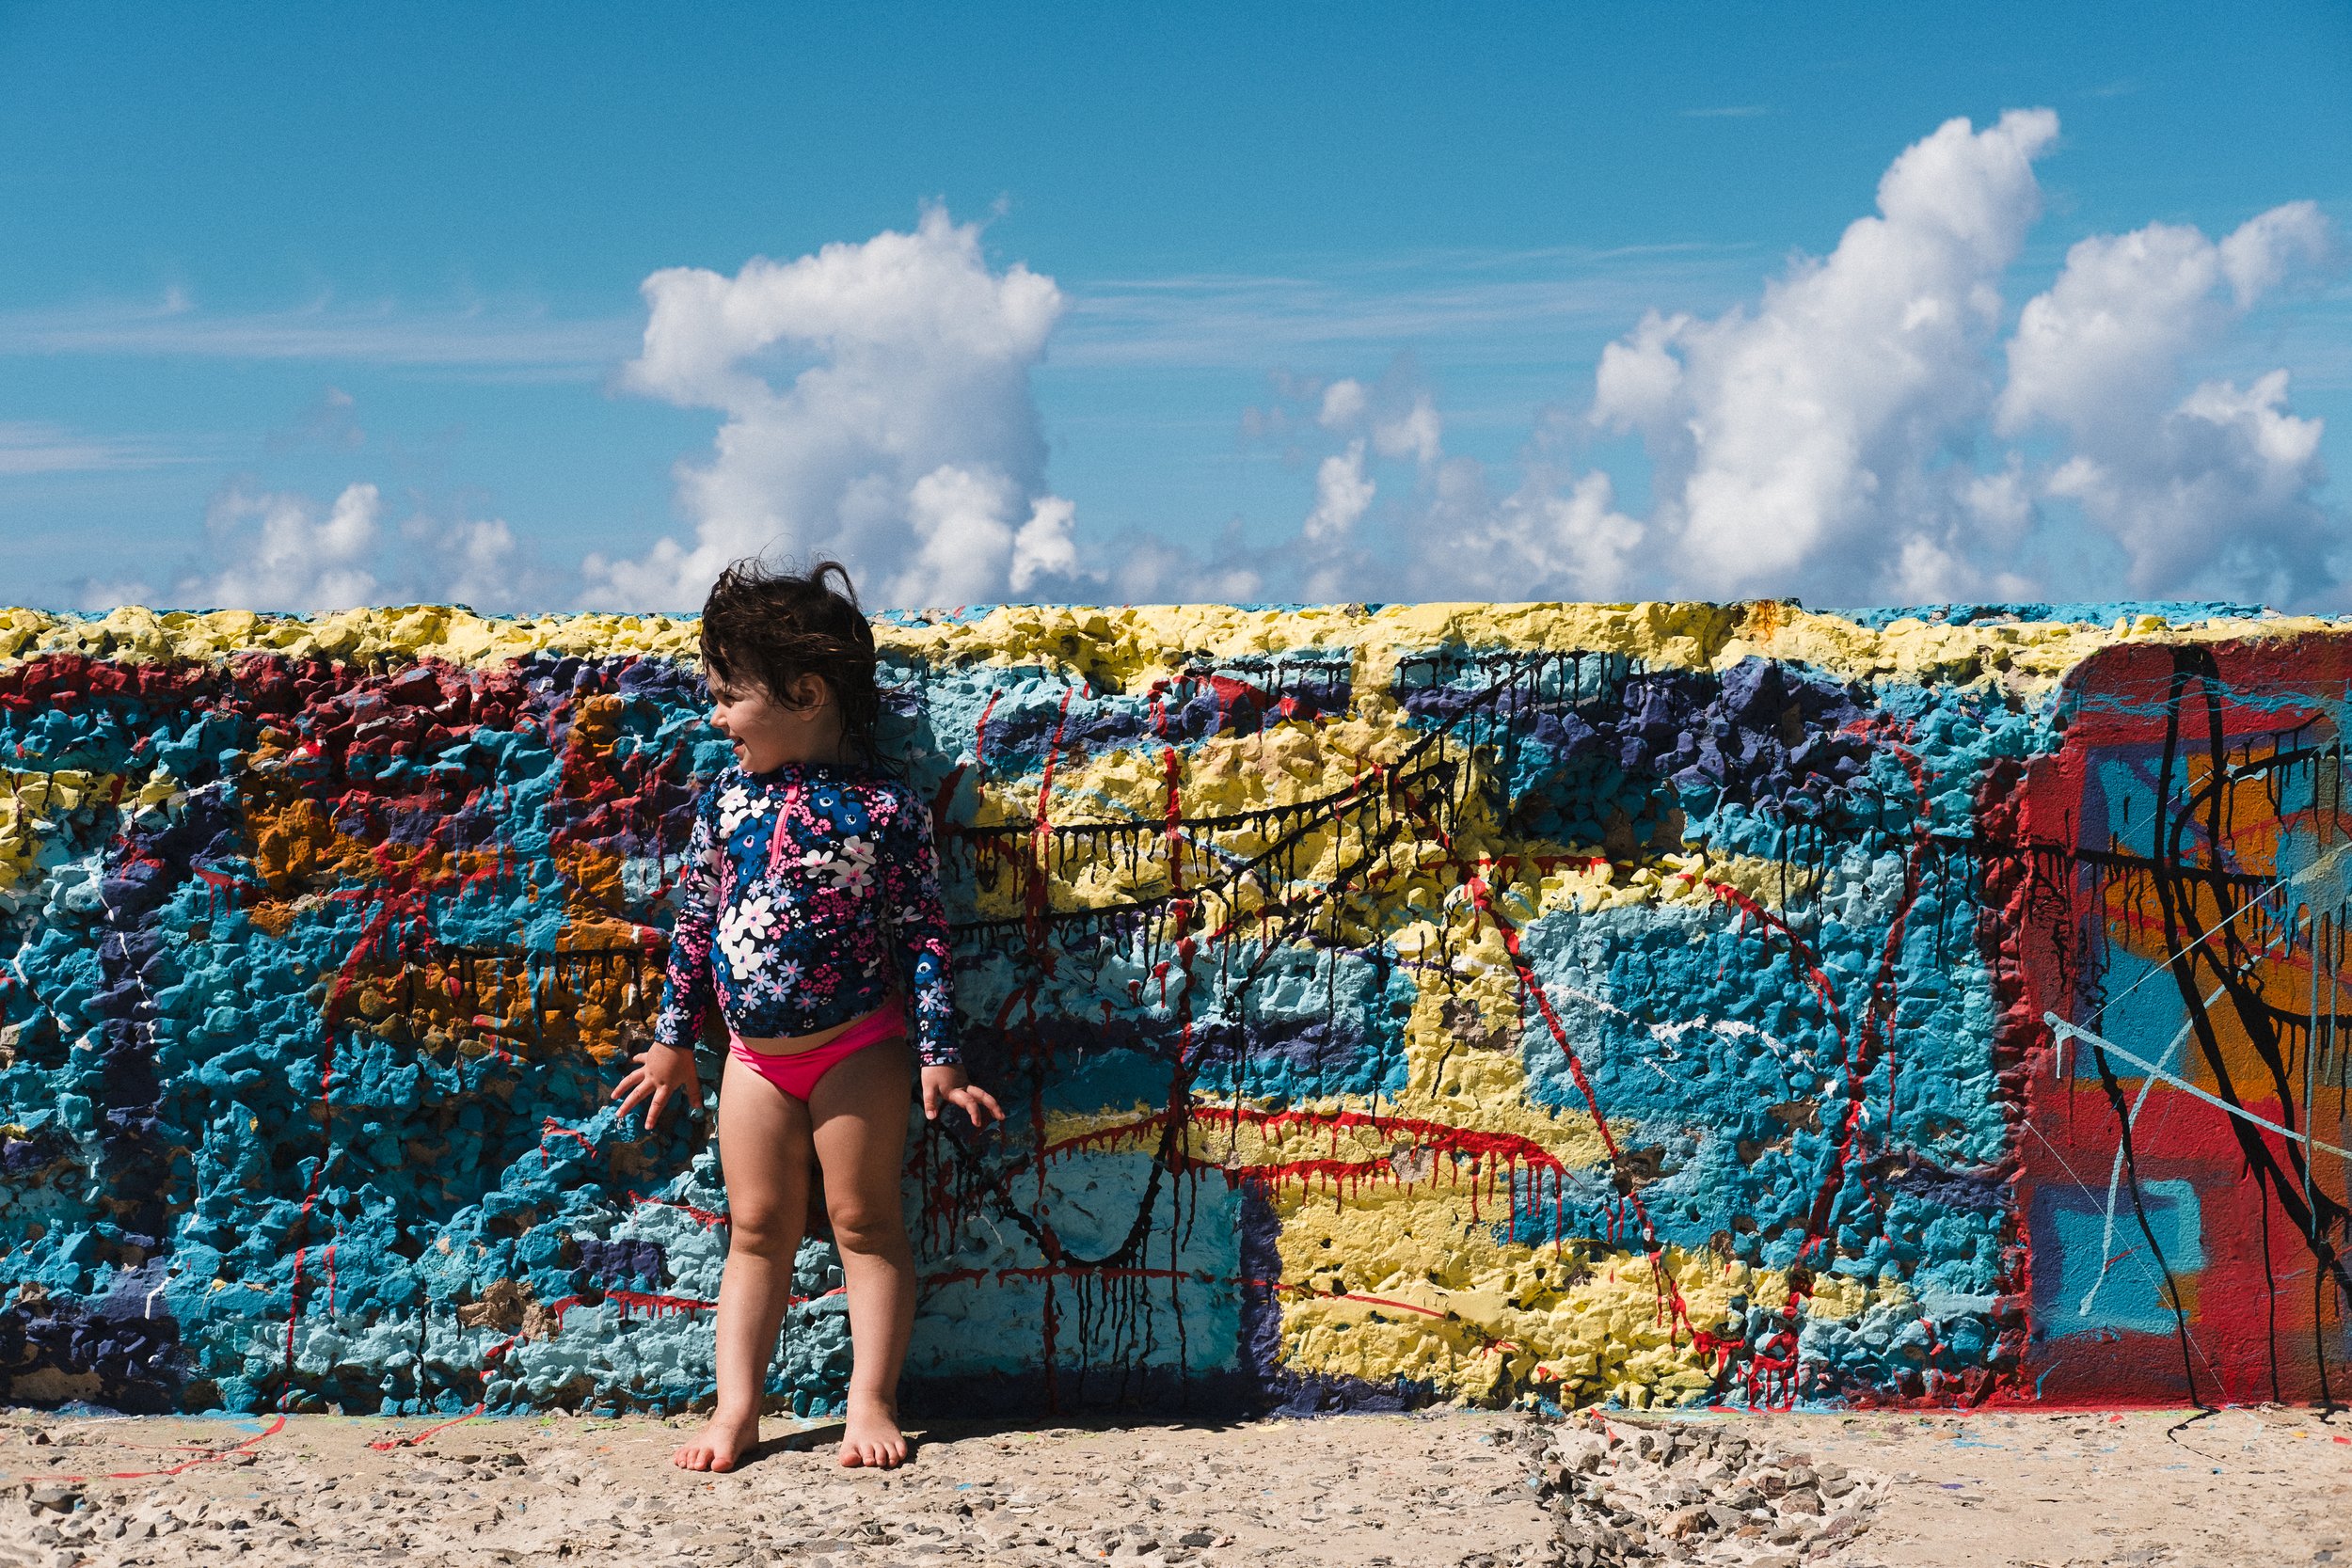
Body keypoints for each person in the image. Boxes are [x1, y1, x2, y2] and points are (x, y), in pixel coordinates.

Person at [612, 558, 1004, 1473]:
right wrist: (675, 1041)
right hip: (752, 1058)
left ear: (805, 691)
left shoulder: (886, 811)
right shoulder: (727, 801)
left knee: (864, 1220)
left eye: (727, 697)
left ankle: (870, 1395)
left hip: (858, 1049)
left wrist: (938, 1053)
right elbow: (697, 924)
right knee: (756, 1228)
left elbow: (922, 936)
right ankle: (737, 1408)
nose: (715, 718)